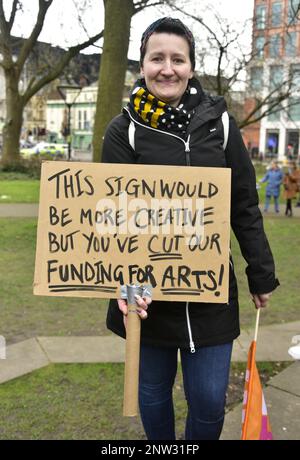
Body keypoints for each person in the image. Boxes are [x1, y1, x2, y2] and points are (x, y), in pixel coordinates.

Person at [101, 17, 279, 440]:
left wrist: (261, 270)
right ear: (142, 65)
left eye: (177, 59)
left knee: (209, 399)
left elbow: (244, 203)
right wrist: (119, 285)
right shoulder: (123, 129)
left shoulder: (220, 126)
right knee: (153, 394)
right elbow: (109, 217)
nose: (167, 68)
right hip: (147, 298)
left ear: (191, 66)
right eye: (156, 58)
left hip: (209, 294)